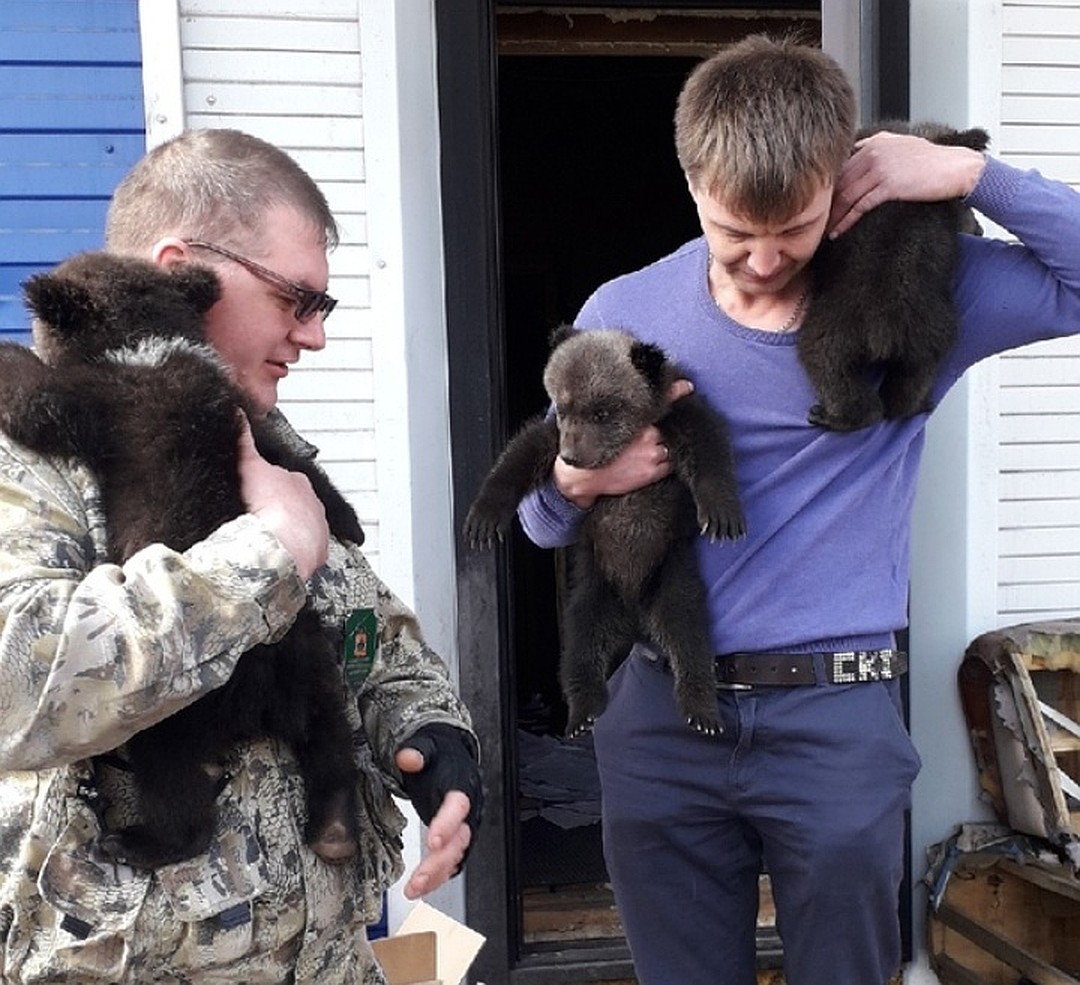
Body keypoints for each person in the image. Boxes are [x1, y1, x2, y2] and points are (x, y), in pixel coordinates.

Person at [517, 34, 1080, 985]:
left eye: (797, 227)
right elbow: (537, 520)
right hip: (662, 716)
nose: (767, 259)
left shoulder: (913, 300)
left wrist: (971, 173)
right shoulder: (628, 305)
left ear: (842, 182)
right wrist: (580, 483)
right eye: (738, 231)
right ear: (692, 178)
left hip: (836, 720)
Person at [0, 129, 481, 984]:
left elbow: (366, 632)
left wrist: (428, 730)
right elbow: (18, 677)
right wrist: (261, 557)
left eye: (322, 308)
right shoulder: (29, 448)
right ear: (181, 266)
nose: (314, 336)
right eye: (298, 299)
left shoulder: (260, 447)